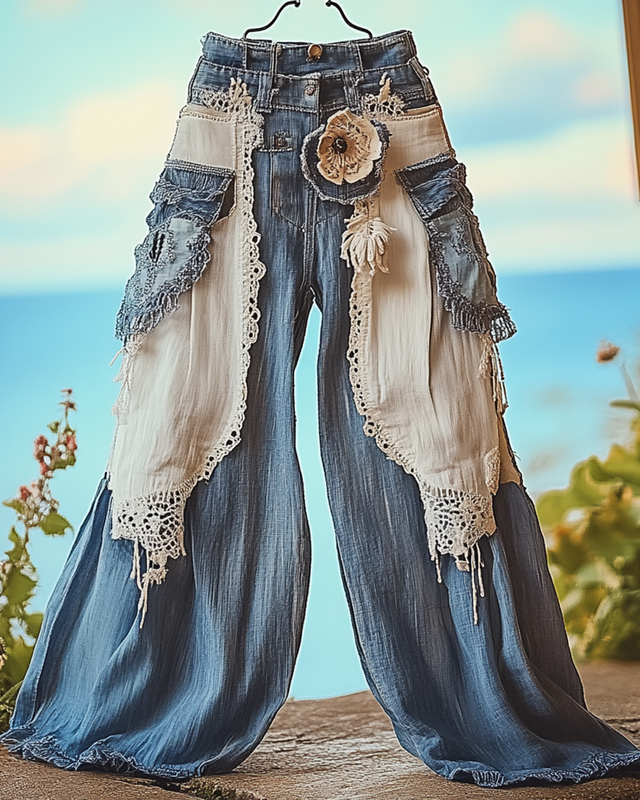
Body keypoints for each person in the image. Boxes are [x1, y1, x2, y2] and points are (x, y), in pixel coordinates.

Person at [2, 29, 639, 787]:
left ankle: (477, 700)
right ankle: (149, 696)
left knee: (435, 423)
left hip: (388, 116)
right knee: (185, 417)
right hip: (231, 123)